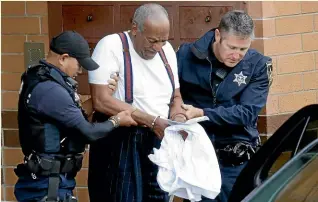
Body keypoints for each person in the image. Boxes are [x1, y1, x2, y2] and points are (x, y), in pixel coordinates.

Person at [14, 30, 137, 202]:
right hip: (48, 185)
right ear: (63, 58)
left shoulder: (42, 78)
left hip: (50, 181)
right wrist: (117, 120)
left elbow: (72, 115)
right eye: (79, 64)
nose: (80, 70)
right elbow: (88, 132)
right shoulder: (50, 89)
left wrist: (102, 96)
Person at [87, 3, 186, 202]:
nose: (158, 47)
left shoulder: (167, 51)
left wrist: (179, 119)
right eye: (152, 40)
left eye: (163, 41)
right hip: (122, 138)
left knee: (159, 197)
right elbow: (101, 101)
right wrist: (150, 120)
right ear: (135, 29)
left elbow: (175, 97)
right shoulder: (111, 46)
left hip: (159, 136)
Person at [177, 10, 273, 202]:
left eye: (243, 49)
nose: (236, 55)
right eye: (232, 47)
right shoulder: (185, 55)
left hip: (237, 159)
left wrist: (203, 113)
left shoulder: (259, 65)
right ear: (218, 35)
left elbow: (247, 113)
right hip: (198, 157)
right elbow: (168, 92)